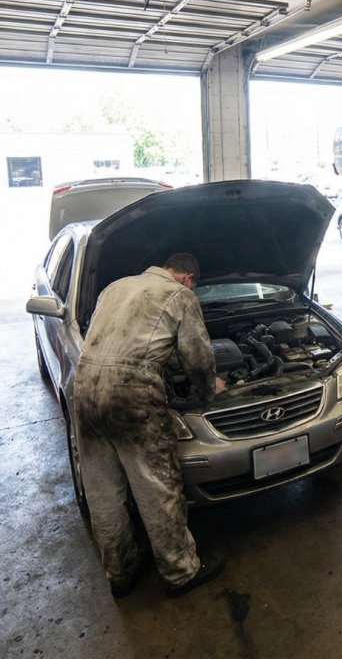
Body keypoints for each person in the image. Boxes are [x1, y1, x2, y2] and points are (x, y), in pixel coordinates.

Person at [74, 253, 227, 599]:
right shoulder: (179, 296)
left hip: (84, 389)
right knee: (158, 486)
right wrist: (208, 390)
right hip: (132, 393)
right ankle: (180, 572)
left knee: (102, 491)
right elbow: (198, 358)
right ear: (188, 278)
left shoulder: (115, 287)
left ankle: (119, 573)